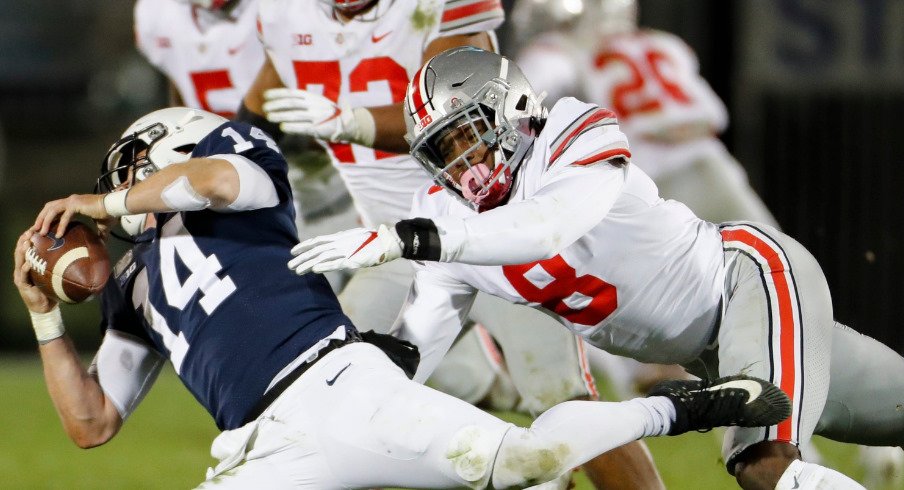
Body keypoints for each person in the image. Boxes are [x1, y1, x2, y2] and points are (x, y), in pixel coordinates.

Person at [12, 106, 789, 489]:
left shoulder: (236, 168)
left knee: (526, 461)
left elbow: (211, 181)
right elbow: (92, 424)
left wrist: (105, 205)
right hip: (258, 450)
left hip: (343, 383)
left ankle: (692, 406)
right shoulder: (129, 288)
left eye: (129, 172)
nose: (120, 191)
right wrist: (44, 313)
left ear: (168, 145)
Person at [289, 47, 904, 489]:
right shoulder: (447, 218)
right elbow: (414, 352)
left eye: (468, 135)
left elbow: (547, 226)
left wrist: (408, 237)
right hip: (707, 351)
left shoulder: (569, 129)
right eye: (442, 153)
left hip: (748, 281)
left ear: (513, 109)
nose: (463, 164)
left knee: (762, 467)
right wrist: (341, 388)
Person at [242, 2, 666, 488]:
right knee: (336, 390)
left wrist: (349, 121)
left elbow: (449, 113)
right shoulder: (284, 16)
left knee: (561, 396)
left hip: (492, 233)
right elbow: (255, 115)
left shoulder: (435, 6)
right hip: (398, 248)